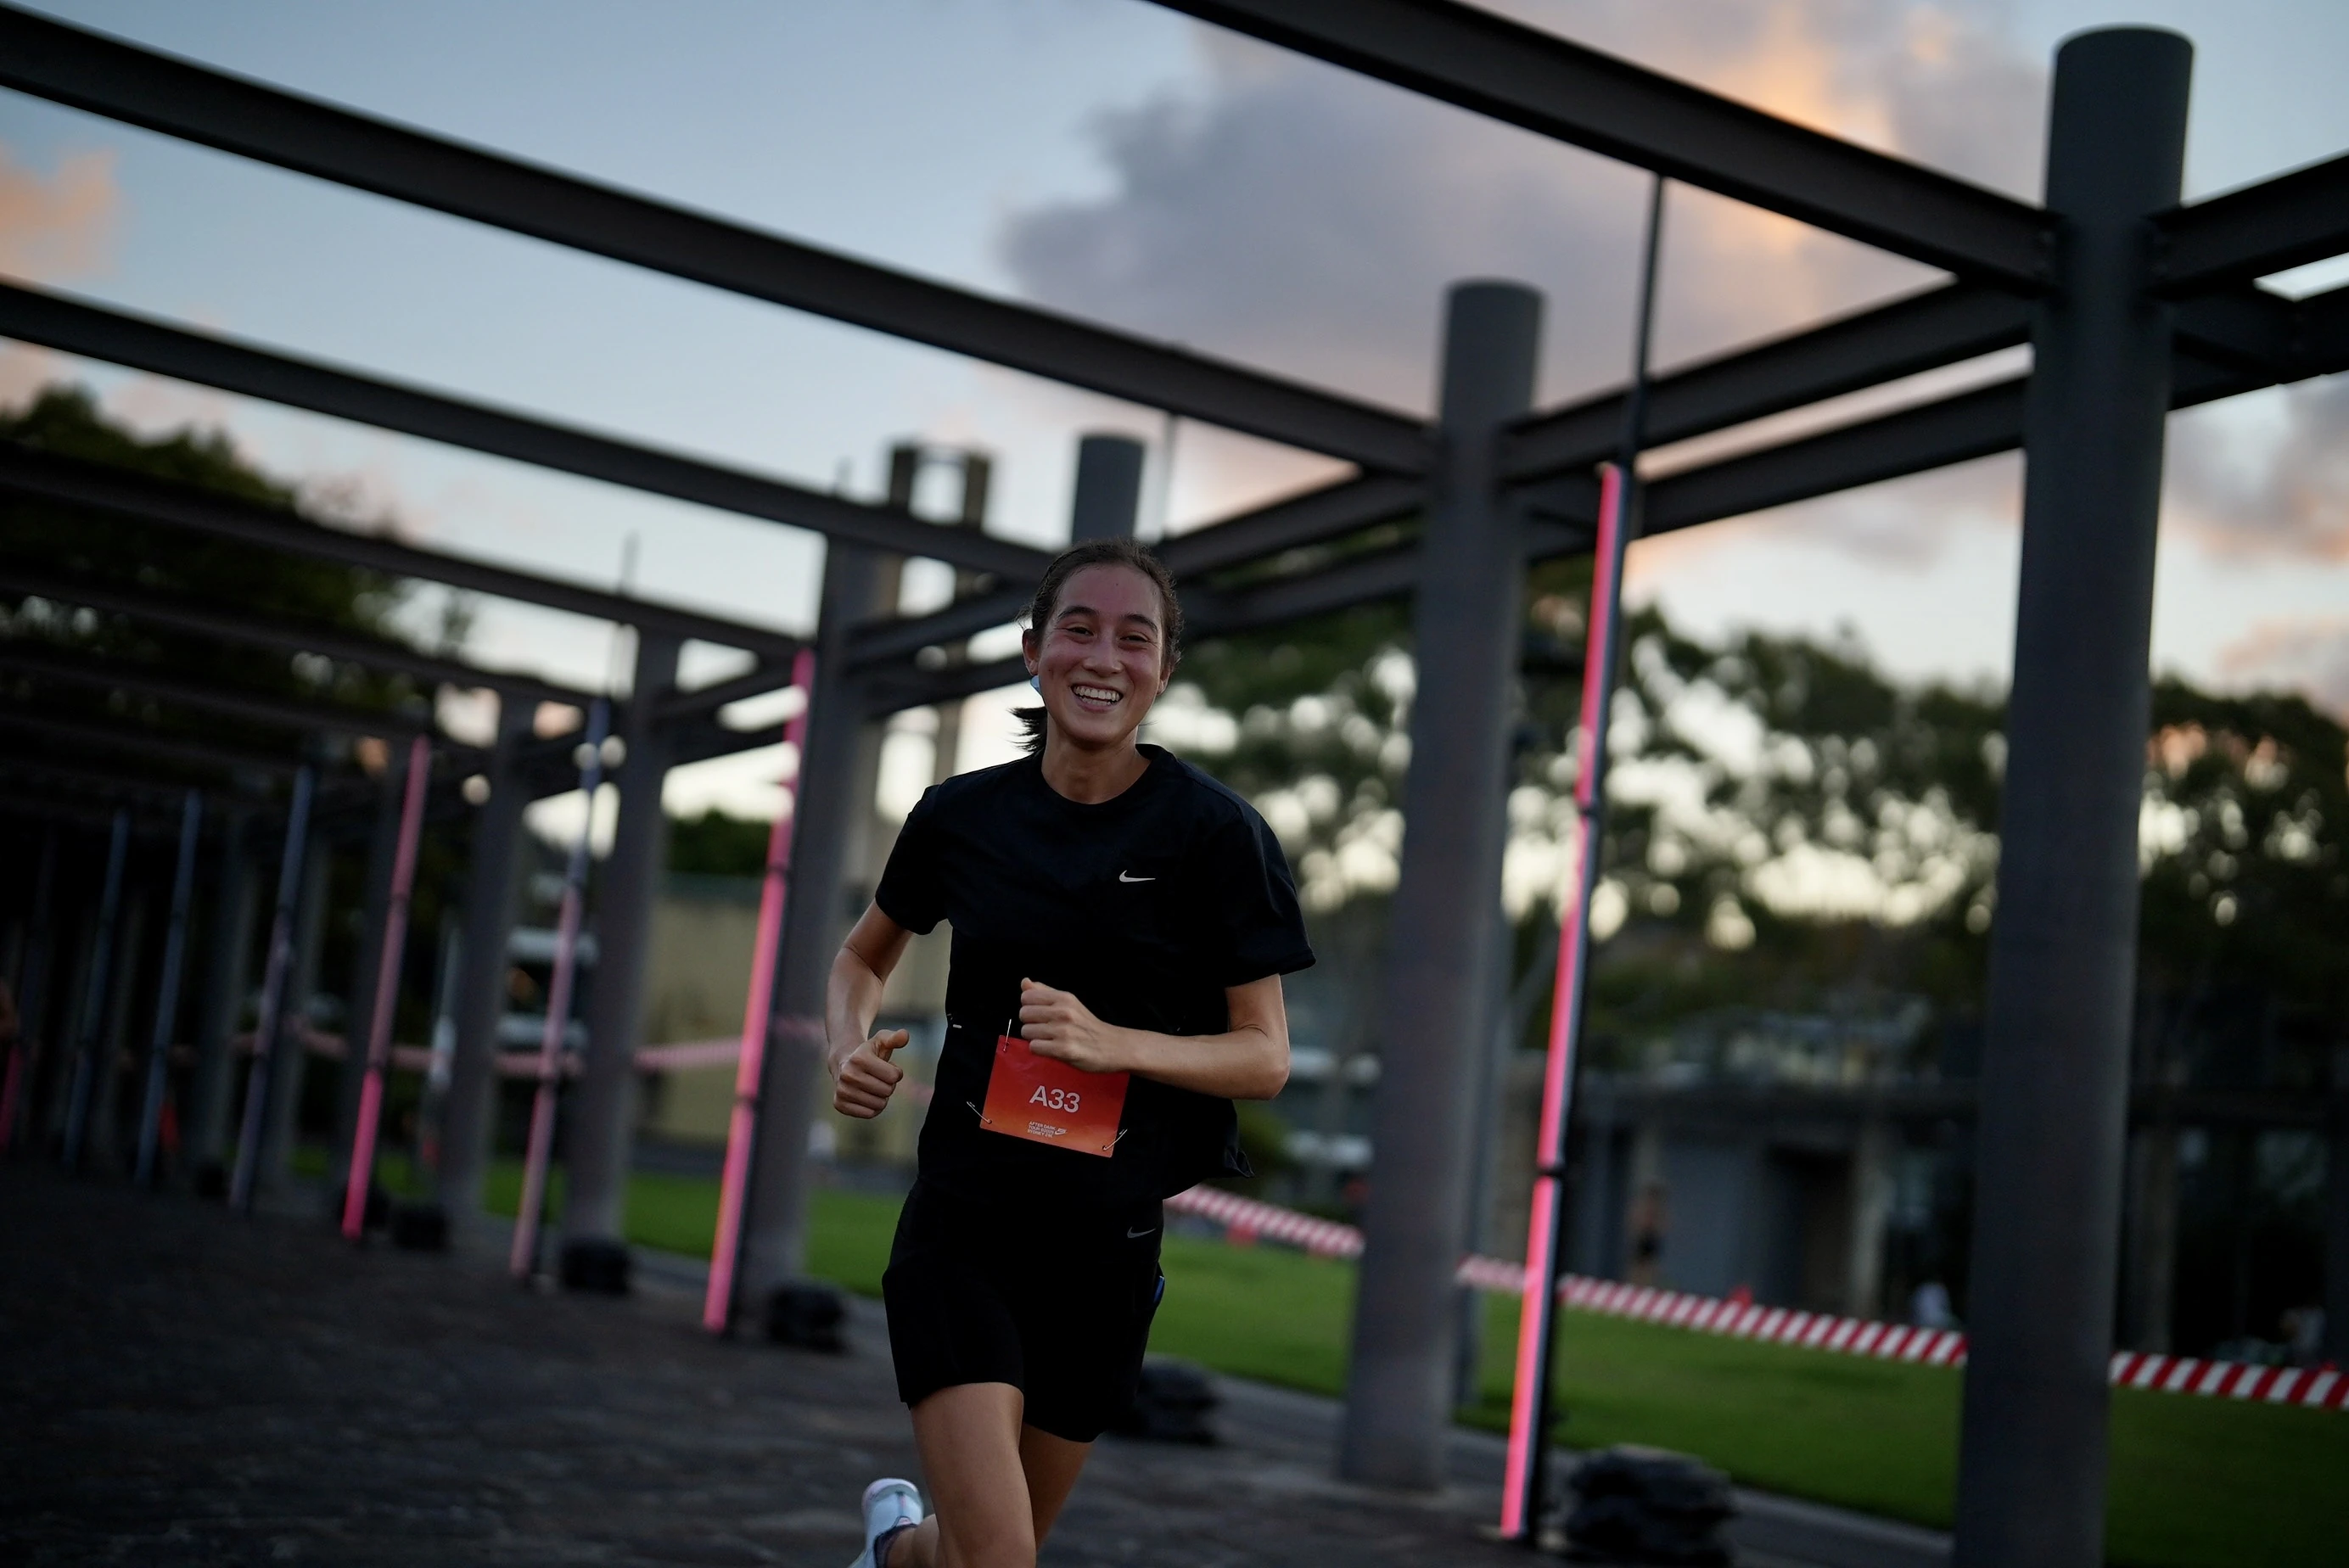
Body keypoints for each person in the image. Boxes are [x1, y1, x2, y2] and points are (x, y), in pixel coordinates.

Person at [827, 537, 1314, 1568]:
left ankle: (890, 1551)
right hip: (965, 1228)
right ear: (1030, 651)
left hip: (1105, 1251)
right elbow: (859, 961)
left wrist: (1112, 1045)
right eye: (1077, 629)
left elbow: (1263, 1058)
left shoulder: (1216, 836)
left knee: (967, 1552)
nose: (1103, 656)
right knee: (999, 1564)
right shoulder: (961, 817)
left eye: (1134, 637)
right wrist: (844, 1048)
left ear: (1163, 670)